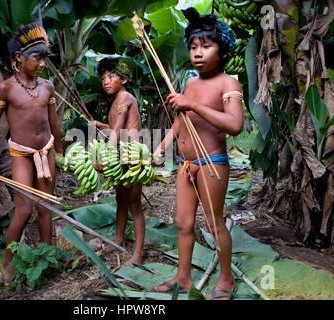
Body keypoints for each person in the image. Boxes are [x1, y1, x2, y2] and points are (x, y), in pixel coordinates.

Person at [151, 8, 243, 300]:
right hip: (185, 164)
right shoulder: (191, 83)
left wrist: (194, 106)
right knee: (183, 222)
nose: (198, 53)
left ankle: (226, 280)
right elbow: (182, 120)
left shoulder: (228, 83)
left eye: (206, 46)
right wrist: (163, 146)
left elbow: (235, 126)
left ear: (223, 50)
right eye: (193, 47)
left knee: (214, 223)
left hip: (211, 163)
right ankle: (183, 276)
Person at [0, 22, 63, 283]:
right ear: (19, 57)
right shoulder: (5, 88)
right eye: (35, 57)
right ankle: (8, 263)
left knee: (46, 208)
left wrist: (59, 153)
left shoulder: (48, 87)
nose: (41, 63)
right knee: (24, 209)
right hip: (21, 154)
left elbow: (54, 124)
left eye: (44, 58)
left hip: (47, 151)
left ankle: (46, 256)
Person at [91, 58, 145, 266]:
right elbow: (116, 126)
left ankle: (139, 253)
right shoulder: (116, 101)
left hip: (131, 158)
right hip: (121, 157)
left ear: (123, 79)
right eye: (103, 77)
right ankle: (118, 239)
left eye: (111, 77)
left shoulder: (124, 97)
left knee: (135, 205)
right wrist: (99, 124)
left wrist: (105, 156)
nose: (106, 81)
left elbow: (117, 129)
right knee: (120, 200)